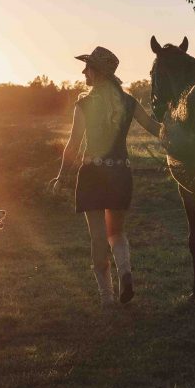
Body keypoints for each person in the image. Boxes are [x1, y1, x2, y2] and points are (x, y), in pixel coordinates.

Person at [49, 46, 162, 307]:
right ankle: (125, 272)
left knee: (98, 237)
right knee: (117, 231)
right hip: (120, 172)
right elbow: (155, 129)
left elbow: (73, 144)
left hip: (93, 174)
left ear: (97, 73)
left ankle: (107, 298)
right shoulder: (129, 102)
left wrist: (61, 176)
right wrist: (179, 133)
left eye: (87, 67)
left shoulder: (85, 103)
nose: (83, 71)